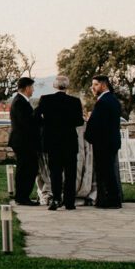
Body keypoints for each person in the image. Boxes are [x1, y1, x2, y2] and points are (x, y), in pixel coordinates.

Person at [34, 75, 84, 210]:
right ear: (67, 86)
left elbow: (36, 116)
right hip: (69, 141)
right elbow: (79, 121)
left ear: (54, 86)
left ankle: (56, 199)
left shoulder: (46, 99)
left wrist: (47, 123)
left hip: (52, 142)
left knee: (55, 173)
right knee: (70, 173)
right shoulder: (75, 101)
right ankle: (69, 202)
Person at [84, 75, 123, 209]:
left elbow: (97, 124)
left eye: (95, 85)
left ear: (104, 85)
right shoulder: (113, 100)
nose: (92, 88)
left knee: (105, 172)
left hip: (103, 142)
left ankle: (111, 200)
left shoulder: (103, 102)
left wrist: (89, 135)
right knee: (108, 171)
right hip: (110, 141)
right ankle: (108, 199)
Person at [7, 77, 41, 206]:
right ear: (27, 88)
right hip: (23, 142)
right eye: (32, 87)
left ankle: (22, 196)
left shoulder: (20, 101)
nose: (33, 90)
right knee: (27, 169)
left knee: (26, 168)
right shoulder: (20, 102)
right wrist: (39, 111)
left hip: (23, 141)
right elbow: (27, 123)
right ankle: (22, 197)